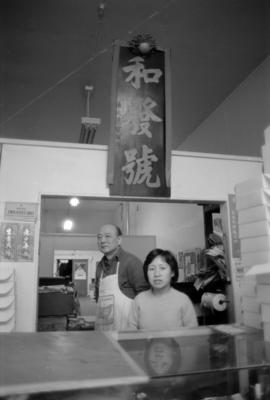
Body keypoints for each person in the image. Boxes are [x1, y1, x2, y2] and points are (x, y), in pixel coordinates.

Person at [94, 224, 149, 331]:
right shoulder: (99, 266)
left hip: (127, 333)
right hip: (103, 332)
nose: (102, 240)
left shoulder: (132, 262)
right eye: (99, 237)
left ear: (119, 240)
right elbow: (98, 299)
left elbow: (145, 300)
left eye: (108, 236)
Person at [128, 248, 198, 330]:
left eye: (162, 268)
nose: (157, 274)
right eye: (151, 269)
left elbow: (193, 336)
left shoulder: (183, 300)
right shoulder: (139, 300)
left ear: (172, 272)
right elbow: (131, 335)